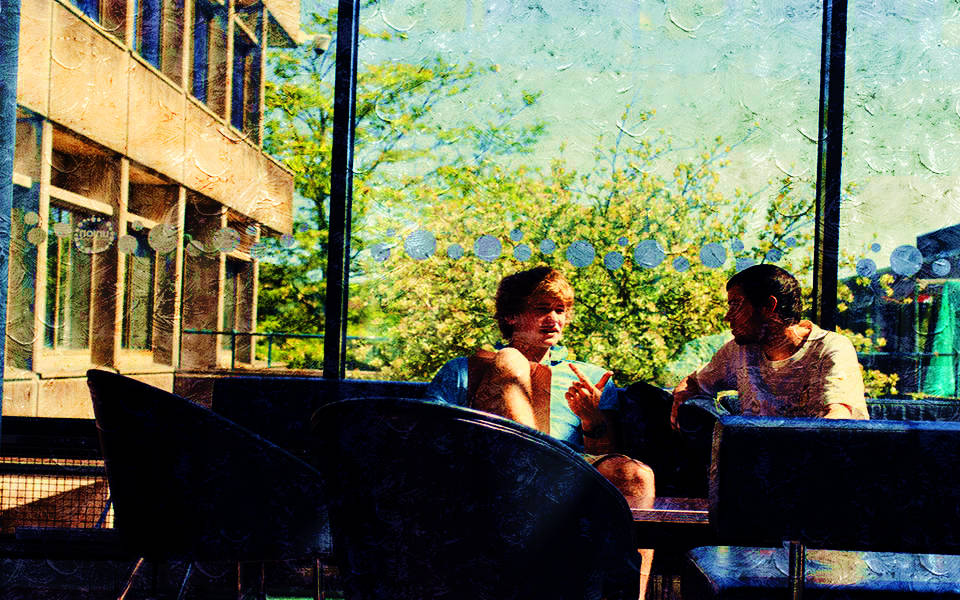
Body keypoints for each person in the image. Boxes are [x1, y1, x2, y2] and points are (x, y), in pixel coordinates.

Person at [425, 266, 655, 595]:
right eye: (541, 309)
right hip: (488, 473)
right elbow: (432, 435)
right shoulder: (461, 370)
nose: (554, 319)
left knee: (636, 475)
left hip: (566, 477)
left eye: (560, 310)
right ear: (511, 316)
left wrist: (591, 419)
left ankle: (634, 595)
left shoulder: (589, 377)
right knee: (509, 360)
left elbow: (603, 454)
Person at [671, 263, 870, 427]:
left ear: (768, 306)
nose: (727, 317)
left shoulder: (830, 347)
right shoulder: (739, 351)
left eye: (736, 305)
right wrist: (681, 400)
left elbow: (839, 419)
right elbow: (693, 383)